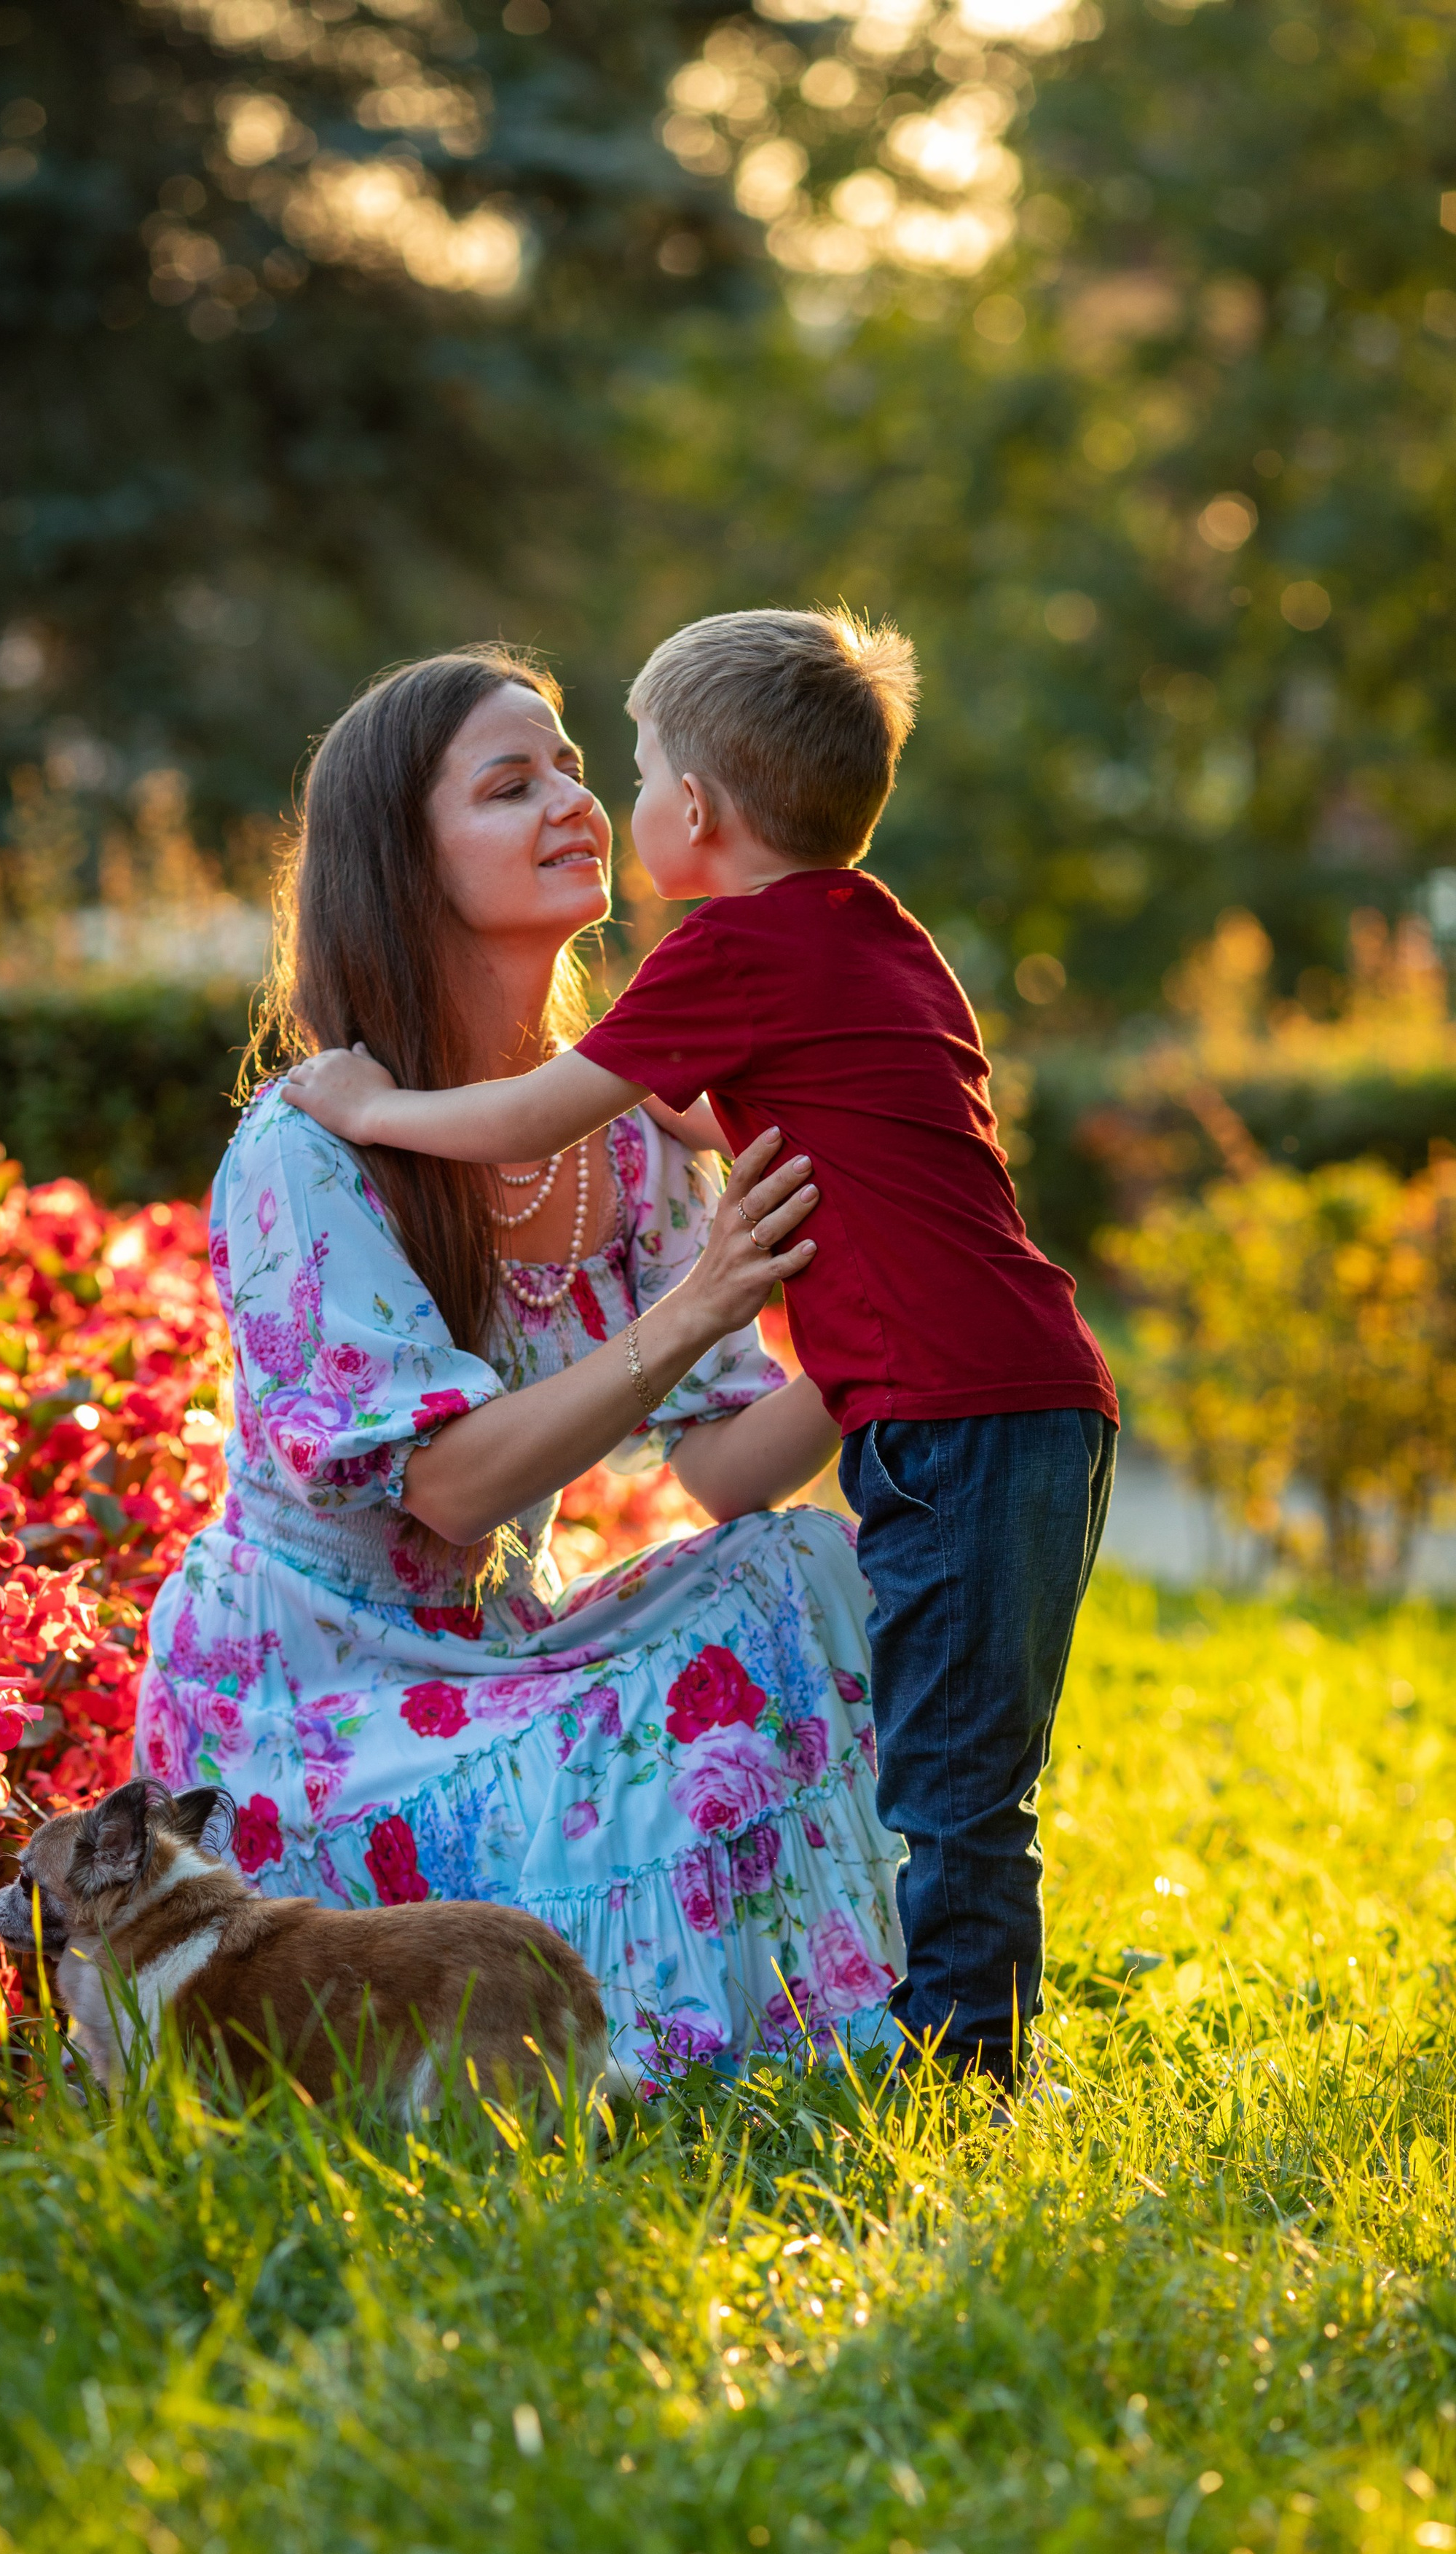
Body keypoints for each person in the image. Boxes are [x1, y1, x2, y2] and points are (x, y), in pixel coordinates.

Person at [282, 607, 1119, 2091]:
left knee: (952, 1777)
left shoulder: (727, 951)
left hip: (958, 1405)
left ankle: (961, 2066)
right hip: (1015, 1388)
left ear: (693, 811)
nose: (592, 800)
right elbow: (725, 1104)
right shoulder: (870, 932)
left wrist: (371, 1105)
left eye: (613, 765)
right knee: (962, 1763)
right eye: (515, 781)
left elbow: (537, 1110)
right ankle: (945, 2040)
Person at [135, 644, 906, 2086]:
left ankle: (835, 2032)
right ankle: (654, 2064)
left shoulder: (625, 1135)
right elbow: (446, 1494)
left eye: (568, 765)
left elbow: (726, 1466)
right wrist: (681, 1315)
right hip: (312, 1714)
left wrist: (889, 1317)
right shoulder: (308, 1148)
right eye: (510, 783)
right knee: (666, 1721)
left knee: (804, 1573)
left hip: (496, 1659)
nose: (573, 801)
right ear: (404, 866)